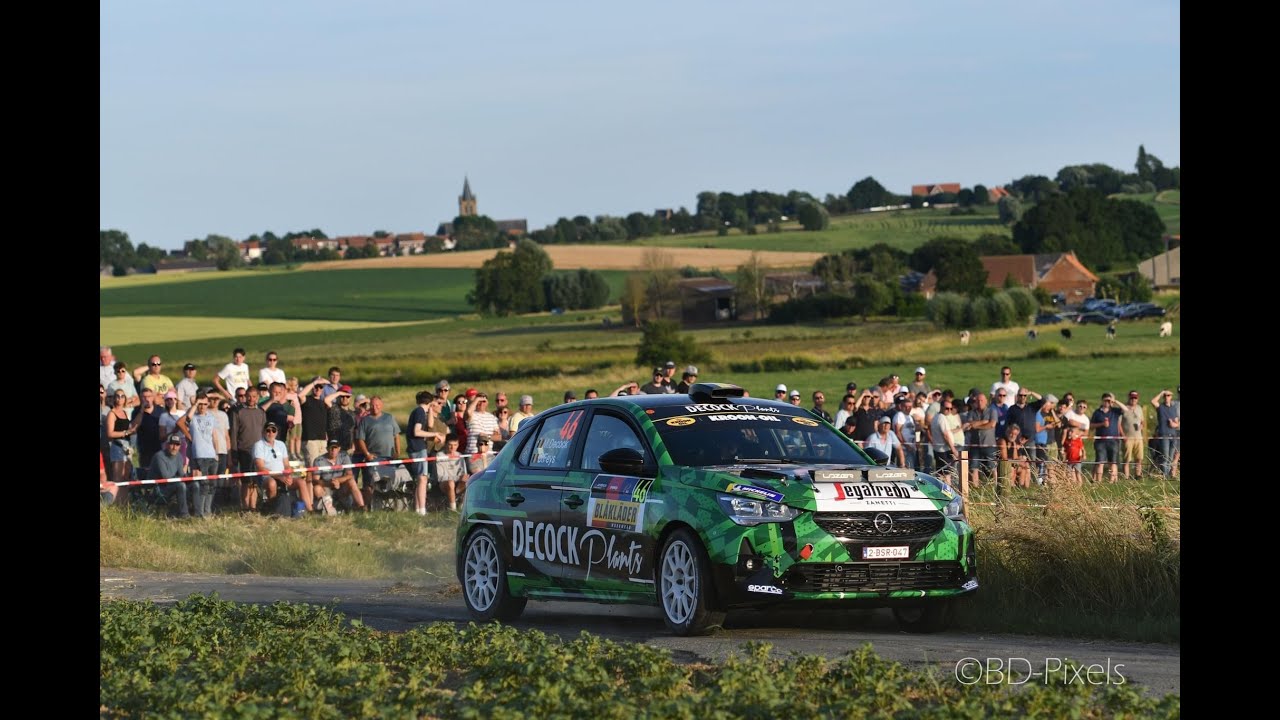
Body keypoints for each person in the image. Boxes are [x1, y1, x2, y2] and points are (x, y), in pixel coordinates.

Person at [176, 391, 219, 518]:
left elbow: (214, 435)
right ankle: (200, 513)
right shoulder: (193, 416)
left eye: (205, 404)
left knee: (212, 485)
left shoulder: (211, 417)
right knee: (203, 485)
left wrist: (217, 452)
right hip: (199, 454)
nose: (203, 407)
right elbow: (186, 419)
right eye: (201, 404)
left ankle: (208, 510)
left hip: (211, 454)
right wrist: (195, 404)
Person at [354, 395, 400, 509]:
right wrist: (367, 454)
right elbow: (360, 439)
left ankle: (388, 506)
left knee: (389, 482)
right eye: (373, 405)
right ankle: (368, 507)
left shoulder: (389, 418)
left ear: (382, 405)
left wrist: (397, 452)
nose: (375, 407)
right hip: (373, 458)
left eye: (377, 405)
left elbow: (396, 435)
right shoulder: (365, 420)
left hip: (389, 457)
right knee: (369, 483)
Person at [254, 421, 309, 515]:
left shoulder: (281, 444)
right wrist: (279, 477)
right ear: (263, 432)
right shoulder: (258, 445)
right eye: (268, 430)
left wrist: (289, 476)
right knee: (272, 483)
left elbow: (287, 465)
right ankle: (273, 510)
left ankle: (308, 510)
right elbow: (260, 467)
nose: (270, 433)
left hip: (282, 476)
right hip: (266, 477)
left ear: (276, 432)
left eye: (273, 430)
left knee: (301, 482)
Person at [407, 390, 447, 515]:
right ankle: (422, 510)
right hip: (418, 448)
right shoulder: (419, 412)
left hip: (417, 447)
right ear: (429, 402)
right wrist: (434, 433)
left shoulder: (417, 411)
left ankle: (419, 509)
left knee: (421, 479)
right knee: (423, 479)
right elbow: (417, 432)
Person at [229, 385, 267, 512]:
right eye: (249, 396)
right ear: (245, 397)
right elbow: (233, 434)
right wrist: (234, 453)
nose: (251, 399)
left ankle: (253, 507)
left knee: (255, 481)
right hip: (243, 449)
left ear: (258, 397)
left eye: (254, 396)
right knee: (246, 480)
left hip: (258, 451)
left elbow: (264, 433)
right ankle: (244, 507)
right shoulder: (238, 411)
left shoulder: (261, 412)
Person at [311, 438, 365, 514]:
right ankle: (329, 509)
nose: (333, 450)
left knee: (352, 481)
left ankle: (361, 507)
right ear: (327, 449)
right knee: (317, 488)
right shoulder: (318, 460)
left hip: (341, 487)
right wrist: (329, 483)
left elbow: (350, 475)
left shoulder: (344, 457)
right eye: (331, 448)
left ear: (339, 448)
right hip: (326, 488)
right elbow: (315, 480)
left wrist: (338, 481)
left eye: (335, 448)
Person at [149, 433, 190, 518]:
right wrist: (180, 478)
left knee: (195, 485)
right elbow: (166, 477)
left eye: (177, 445)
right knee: (181, 485)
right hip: (158, 489)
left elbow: (181, 474)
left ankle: (198, 513)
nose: (174, 447)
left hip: (172, 485)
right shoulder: (159, 456)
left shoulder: (179, 456)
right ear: (167, 445)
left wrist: (189, 477)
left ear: (180, 446)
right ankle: (184, 515)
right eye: (172, 444)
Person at [1090, 393, 1124, 483]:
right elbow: (1091, 425)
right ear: (1102, 401)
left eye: (1109, 401)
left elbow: (1126, 410)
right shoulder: (1097, 412)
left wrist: (1115, 401)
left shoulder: (1115, 411)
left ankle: (1111, 481)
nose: (1107, 402)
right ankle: (1098, 481)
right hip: (1100, 441)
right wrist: (1102, 424)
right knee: (1100, 462)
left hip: (1113, 441)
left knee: (1113, 462)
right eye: (1106, 400)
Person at [299, 377, 332, 467]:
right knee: (313, 467)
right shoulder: (307, 400)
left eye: (320, 387)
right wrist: (315, 382)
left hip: (322, 440)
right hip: (310, 440)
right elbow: (300, 395)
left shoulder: (323, 402)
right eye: (316, 386)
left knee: (324, 468)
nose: (318, 389)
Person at [435, 433, 470, 511]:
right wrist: (457, 478)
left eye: (455, 445)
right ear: (445, 444)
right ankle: (453, 509)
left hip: (458, 483)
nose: (452, 447)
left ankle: (462, 505)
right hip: (444, 483)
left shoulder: (460, 455)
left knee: (470, 481)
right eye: (450, 445)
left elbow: (463, 472)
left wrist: (463, 477)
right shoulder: (440, 456)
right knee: (451, 483)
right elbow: (440, 477)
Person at [1152, 389, 1180, 478]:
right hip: (1164, 435)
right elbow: (1153, 401)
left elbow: (1177, 422)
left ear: (1171, 397)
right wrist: (1161, 392)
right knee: (1165, 457)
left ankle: (1168, 475)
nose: (1166, 397)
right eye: (1165, 396)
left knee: (1171, 458)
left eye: (1168, 395)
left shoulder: (1173, 408)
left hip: (1173, 436)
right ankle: (1166, 476)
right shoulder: (1160, 407)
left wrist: (1174, 424)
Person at [930, 397, 959, 480]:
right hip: (944, 450)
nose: (949, 410)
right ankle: (947, 491)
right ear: (941, 407)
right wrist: (953, 449)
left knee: (940, 473)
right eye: (947, 408)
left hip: (938, 449)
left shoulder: (936, 417)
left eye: (951, 408)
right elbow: (945, 435)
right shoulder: (941, 418)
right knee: (946, 474)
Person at [1120, 390, 1146, 479]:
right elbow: (1118, 423)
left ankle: (1138, 475)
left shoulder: (1139, 408)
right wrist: (1122, 435)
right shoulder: (1124, 408)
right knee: (1127, 459)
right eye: (1132, 398)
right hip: (1128, 437)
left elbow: (1142, 421)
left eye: (1135, 398)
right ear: (1129, 398)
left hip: (1138, 437)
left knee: (1139, 458)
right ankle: (1126, 477)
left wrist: (1141, 426)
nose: (1133, 400)